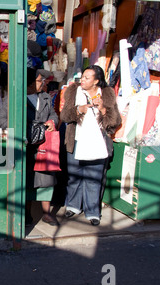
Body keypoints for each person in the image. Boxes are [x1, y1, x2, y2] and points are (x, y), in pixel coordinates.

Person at [60, 65, 121, 226]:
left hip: (97, 142)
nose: (82, 80)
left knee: (94, 178)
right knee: (74, 176)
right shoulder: (73, 91)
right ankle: (73, 205)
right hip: (76, 140)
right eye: (83, 77)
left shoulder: (107, 94)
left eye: (87, 78)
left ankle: (93, 212)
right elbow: (65, 115)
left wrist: (102, 108)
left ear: (96, 81)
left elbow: (115, 121)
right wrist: (79, 110)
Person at [26, 68, 59, 226]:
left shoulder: (45, 97)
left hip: (44, 144)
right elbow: (1, 119)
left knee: (46, 177)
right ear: (30, 83)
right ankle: (26, 214)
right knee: (27, 180)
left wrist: (52, 122)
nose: (43, 83)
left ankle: (47, 214)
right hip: (26, 145)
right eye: (40, 81)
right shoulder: (16, 98)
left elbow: (53, 114)